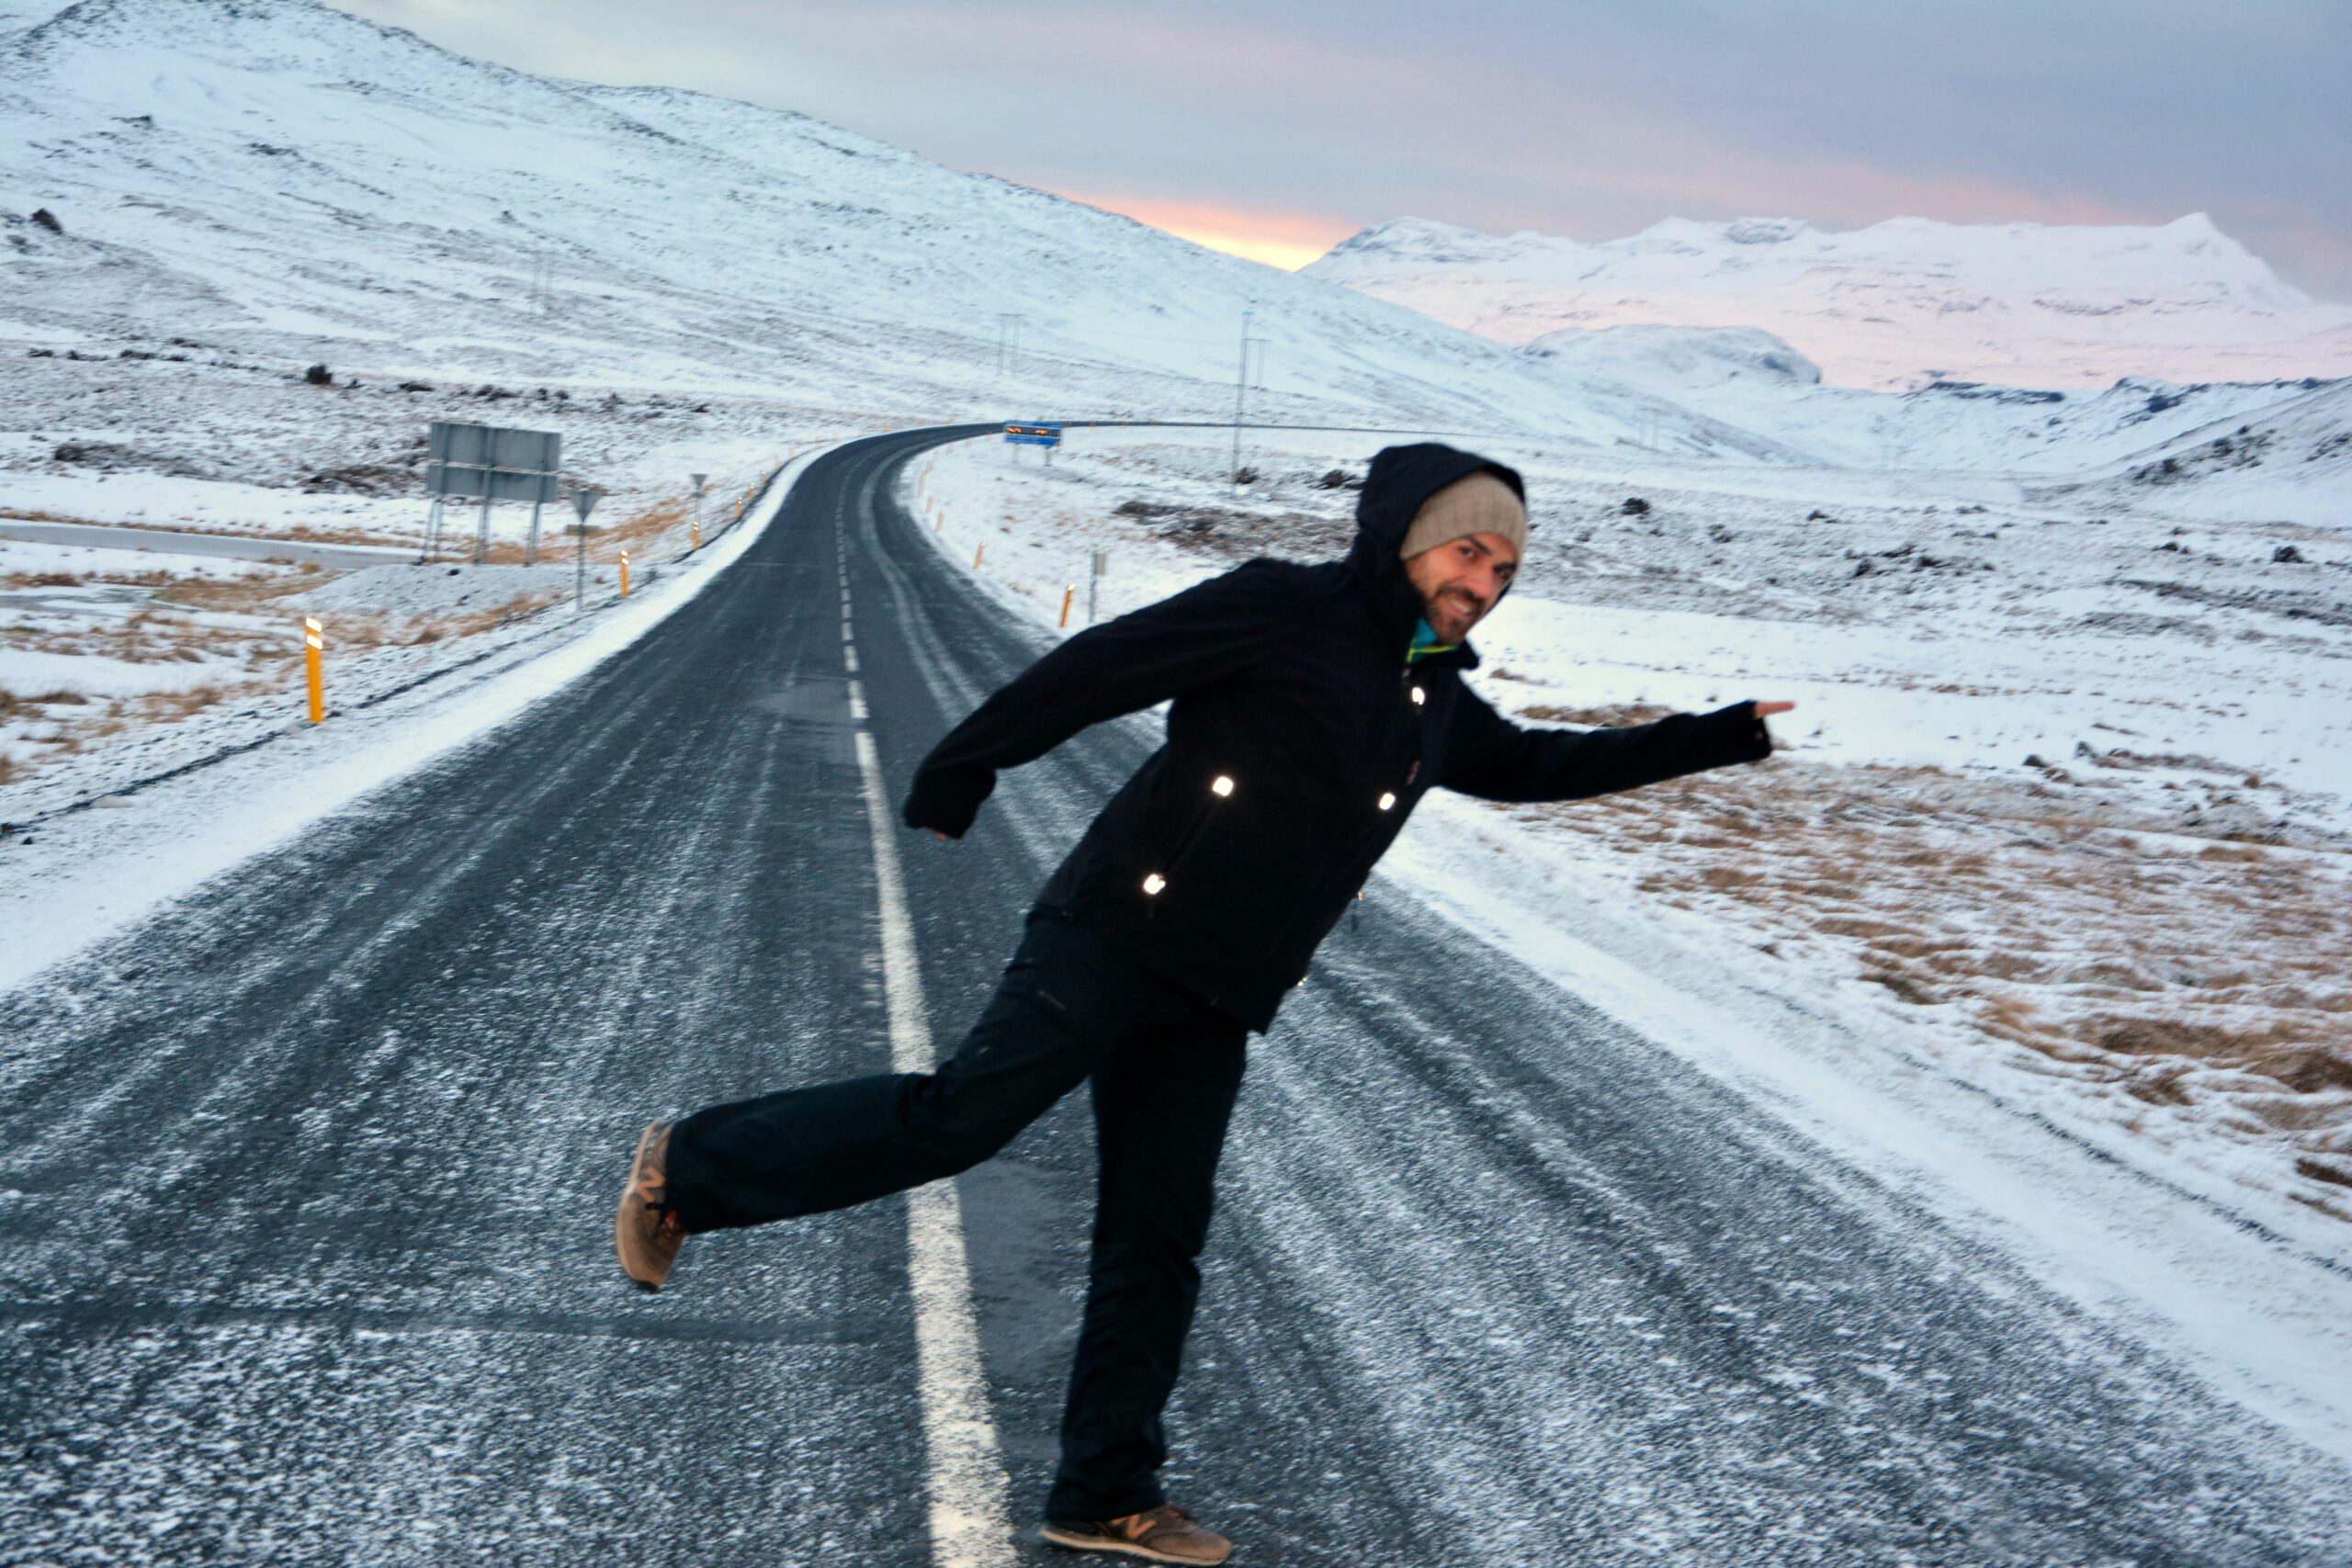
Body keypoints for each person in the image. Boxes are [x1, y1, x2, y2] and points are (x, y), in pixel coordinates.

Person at [615, 441, 1794, 1564]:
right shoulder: (1288, 609)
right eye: (1467, 554)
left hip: (1218, 995)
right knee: (961, 1118)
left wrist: (1716, 738)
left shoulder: (1433, 698)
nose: (1482, 584)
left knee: (1156, 1239)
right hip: (1114, 935)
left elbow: (1536, 766)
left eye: (1502, 568)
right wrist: (965, 765)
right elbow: (1100, 666)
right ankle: (692, 1168)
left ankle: (1104, 1498)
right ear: (1406, 542)